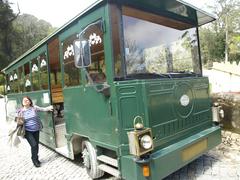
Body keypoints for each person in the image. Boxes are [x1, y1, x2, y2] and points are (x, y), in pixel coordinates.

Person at [16, 96, 53, 168]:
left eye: (27, 100)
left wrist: (49, 108)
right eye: (24, 100)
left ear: (30, 102)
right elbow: (17, 122)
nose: (25, 101)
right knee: (34, 145)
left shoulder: (34, 108)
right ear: (22, 103)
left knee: (36, 145)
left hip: (36, 130)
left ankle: (36, 158)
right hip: (27, 131)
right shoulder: (20, 111)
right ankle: (34, 160)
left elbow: (43, 109)